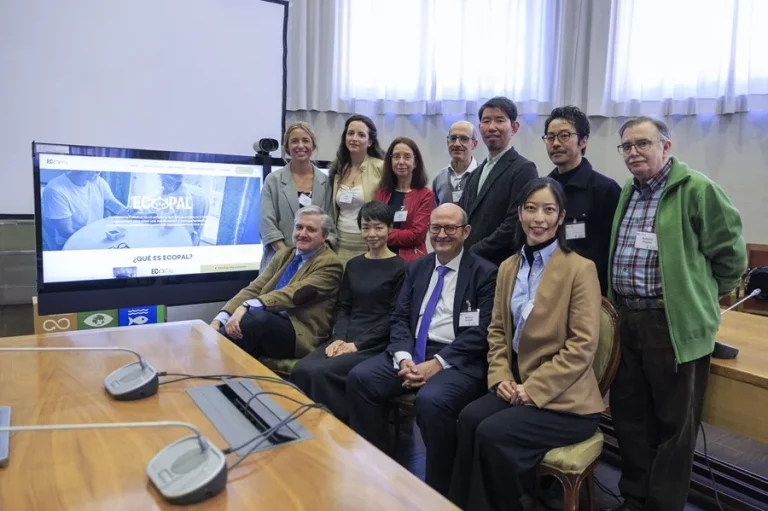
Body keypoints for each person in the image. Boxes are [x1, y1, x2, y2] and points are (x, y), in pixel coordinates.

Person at [607, 117, 747, 511]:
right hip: (626, 319)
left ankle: (663, 505)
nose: (634, 152)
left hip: (670, 323)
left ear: (666, 147)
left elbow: (731, 256)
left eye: (643, 143)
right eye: (627, 146)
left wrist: (698, 297)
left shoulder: (697, 190)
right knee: (630, 416)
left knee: (674, 426)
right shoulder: (628, 192)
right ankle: (634, 498)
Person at [449, 177, 603, 511]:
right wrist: (501, 377)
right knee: (468, 418)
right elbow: (497, 332)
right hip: (517, 384)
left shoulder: (580, 269)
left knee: (493, 434)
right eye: (531, 209)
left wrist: (532, 389)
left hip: (567, 400)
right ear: (519, 213)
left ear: (561, 217)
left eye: (548, 210)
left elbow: (582, 346)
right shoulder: (508, 267)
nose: (539, 218)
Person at [347, 203, 498, 497]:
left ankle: (439, 492)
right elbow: (400, 317)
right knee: (361, 378)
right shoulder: (417, 267)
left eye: (450, 228)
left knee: (431, 401)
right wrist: (404, 358)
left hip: (458, 357)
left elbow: (482, 332)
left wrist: (437, 363)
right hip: (413, 350)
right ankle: (376, 472)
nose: (441, 235)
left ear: (466, 232)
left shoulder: (485, 273)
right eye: (435, 228)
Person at [290, 201, 407, 421]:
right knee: (301, 369)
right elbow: (343, 307)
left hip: (375, 343)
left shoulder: (402, 268)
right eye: (366, 227)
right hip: (345, 337)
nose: (372, 234)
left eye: (378, 227)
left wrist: (357, 344)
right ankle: (306, 427)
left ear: (390, 228)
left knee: (320, 373)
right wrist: (338, 338)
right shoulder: (353, 264)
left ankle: (339, 430)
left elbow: (394, 317)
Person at [211, 206, 343, 360]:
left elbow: (294, 294)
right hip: (267, 321)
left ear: (324, 236)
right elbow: (255, 288)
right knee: (240, 327)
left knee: (255, 320)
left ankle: (212, 357)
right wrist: (220, 318)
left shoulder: (330, 264)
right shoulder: (284, 254)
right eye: (299, 227)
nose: (302, 234)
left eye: (311, 229)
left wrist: (246, 306)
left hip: (298, 331)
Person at [543, 106, 621, 295]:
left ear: (583, 141)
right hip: (547, 286)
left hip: (588, 290)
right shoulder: (543, 189)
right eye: (550, 137)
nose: (555, 143)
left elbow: (613, 250)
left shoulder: (605, 189)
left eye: (564, 136)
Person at [459, 97, 538, 266]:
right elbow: (462, 215)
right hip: (470, 264)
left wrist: (473, 251)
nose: (492, 127)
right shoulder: (475, 173)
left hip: (501, 265)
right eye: (486, 121)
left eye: (500, 120)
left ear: (514, 127)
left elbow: (514, 223)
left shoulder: (524, 169)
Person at [260, 122, 333, 271]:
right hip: (279, 261)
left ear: (313, 145)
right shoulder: (273, 180)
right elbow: (267, 226)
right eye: (294, 141)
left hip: (315, 264)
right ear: (287, 147)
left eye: (305, 140)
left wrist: (312, 259)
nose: (300, 145)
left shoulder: (326, 182)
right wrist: (291, 259)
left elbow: (330, 226)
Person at [329, 114, 385, 264]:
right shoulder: (338, 168)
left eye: (361, 135)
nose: (354, 138)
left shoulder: (380, 167)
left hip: (368, 243)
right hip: (340, 243)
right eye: (350, 133)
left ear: (370, 141)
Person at [375, 137, 435, 262]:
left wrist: (383, 234)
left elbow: (416, 235)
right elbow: (374, 227)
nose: (401, 162)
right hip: (381, 258)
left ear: (415, 162)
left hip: (411, 262)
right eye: (396, 156)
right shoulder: (382, 192)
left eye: (407, 157)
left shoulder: (426, 195)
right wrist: (379, 232)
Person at [42, 170, 132, 249]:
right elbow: (66, 232)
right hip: (71, 241)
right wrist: (96, 241)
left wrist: (129, 213)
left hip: (96, 235)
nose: (99, 172)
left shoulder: (98, 181)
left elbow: (109, 201)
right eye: (96, 169)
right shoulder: (55, 190)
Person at [432, 121, 479, 206]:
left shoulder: (483, 174)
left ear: (474, 144)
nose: (457, 144)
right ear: (448, 143)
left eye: (464, 139)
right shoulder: (439, 178)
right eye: (453, 138)